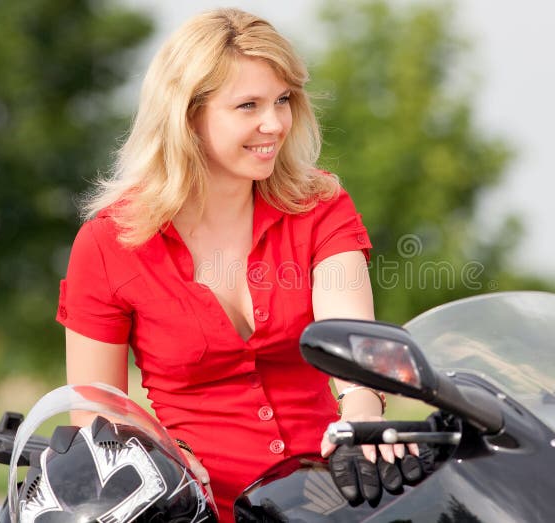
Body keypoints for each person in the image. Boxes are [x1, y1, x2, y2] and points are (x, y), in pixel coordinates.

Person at [56, 8, 402, 521]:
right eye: (249, 106)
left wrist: (361, 411)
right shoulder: (108, 244)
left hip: (330, 499)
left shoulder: (320, 204)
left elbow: (351, 339)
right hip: (191, 508)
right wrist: (170, 461)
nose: (276, 123)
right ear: (187, 115)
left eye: (283, 100)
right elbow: (98, 415)